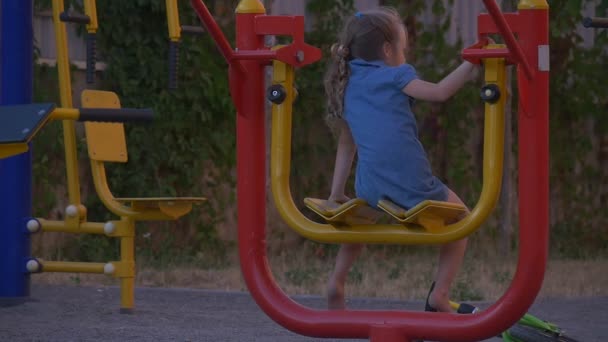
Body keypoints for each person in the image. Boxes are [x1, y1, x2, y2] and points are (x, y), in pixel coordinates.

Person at [324, 7, 482, 312]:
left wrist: (335, 193)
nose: (405, 54)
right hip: (411, 183)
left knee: (358, 223)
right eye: (403, 48)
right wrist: (472, 62)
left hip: (369, 186)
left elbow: (346, 145)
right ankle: (439, 294)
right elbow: (439, 92)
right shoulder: (397, 75)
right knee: (464, 218)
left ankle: (336, 281)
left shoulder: (349, 82)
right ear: (387, 50)